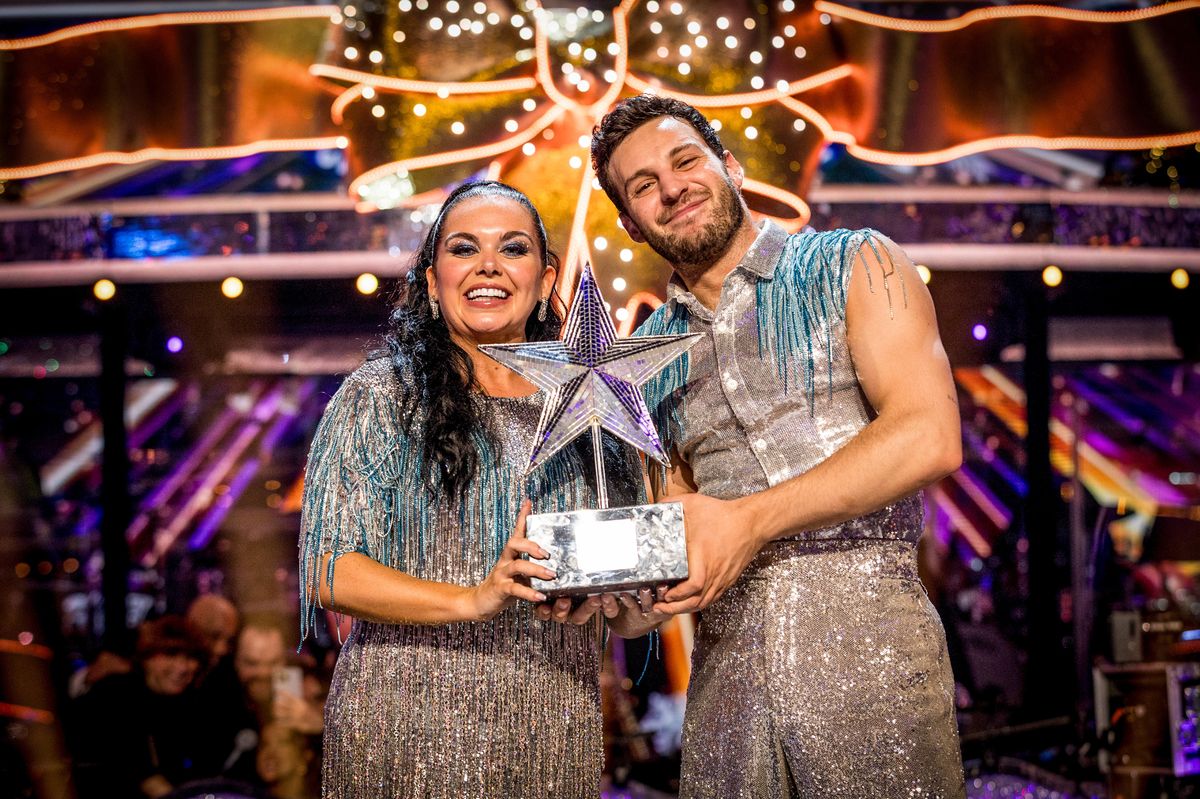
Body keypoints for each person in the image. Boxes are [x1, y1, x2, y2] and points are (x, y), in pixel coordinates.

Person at [590, 95, 966, 798]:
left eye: (685, 161)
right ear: (631, 224)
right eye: (643, 185)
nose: (671, 188)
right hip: (728, 691)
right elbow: (673, 543)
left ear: (730, 166)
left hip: (874, 663)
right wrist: (605, 594)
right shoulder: (639, 361)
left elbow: (929, 435)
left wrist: (748, 520)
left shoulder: (854, 262)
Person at [297, 180, 654, 799]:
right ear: (433, 283)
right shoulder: (381, 396)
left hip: (551, 726)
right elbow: (327, 571)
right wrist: (474, 598)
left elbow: (630, 606)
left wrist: (629, 601)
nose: (488, 265)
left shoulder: (600, 406)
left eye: (512, 249)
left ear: (545, 280)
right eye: (464, 249)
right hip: (404, 725)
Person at [69, 615, 218, 798]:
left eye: (191, 657)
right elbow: (141, 773)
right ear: (146, 657)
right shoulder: (116, 695)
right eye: (170, 654)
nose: (182, 668)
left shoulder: (190, 704)